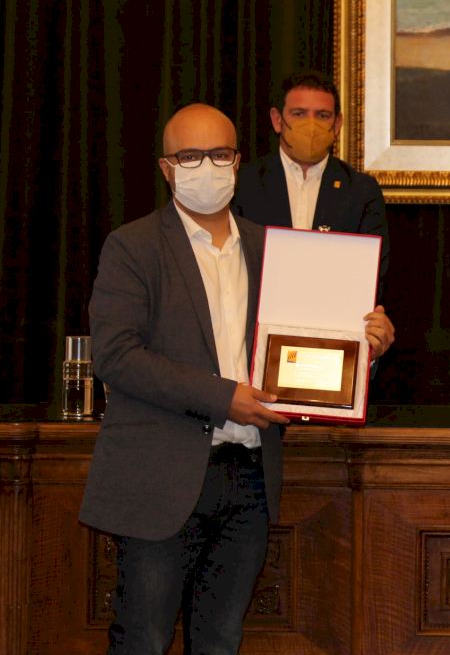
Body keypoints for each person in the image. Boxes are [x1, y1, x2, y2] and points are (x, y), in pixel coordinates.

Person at [81, 103, 291, 653]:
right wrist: (224, 399)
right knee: (144, 640)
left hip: (248, 477)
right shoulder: (133, 247)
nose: (207, 167)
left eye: (219, 154)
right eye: (190, 156)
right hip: (160, 477)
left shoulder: (271, 249)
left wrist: (363, 345)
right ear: (166, 167)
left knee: (220, 641)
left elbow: (307, 348)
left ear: (237, 162)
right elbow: (117, 356)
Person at [233, 69, 394, 359]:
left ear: (337, 124)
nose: (311, 125)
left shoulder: (361, 191)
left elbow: (373, 278)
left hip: (333, 347)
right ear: (277, 120)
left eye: (322, 116)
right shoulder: (243, 184)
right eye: (299, 114)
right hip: (254, 347)